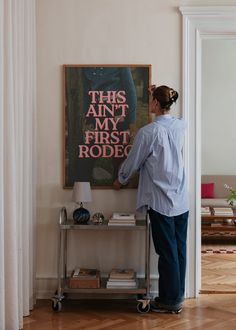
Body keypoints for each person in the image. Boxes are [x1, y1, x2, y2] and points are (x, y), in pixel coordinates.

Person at [113, 85, 189, 312]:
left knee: (166, 253)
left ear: (155, 103)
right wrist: (158, 92)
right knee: (179, 251)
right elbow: (166, 108)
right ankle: (177, 296)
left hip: (161, 202)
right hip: (181, 199)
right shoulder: (182, 125)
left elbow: (133, 162)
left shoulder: (148, 132)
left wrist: (121, 180)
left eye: (152, 101)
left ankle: (170, 301)